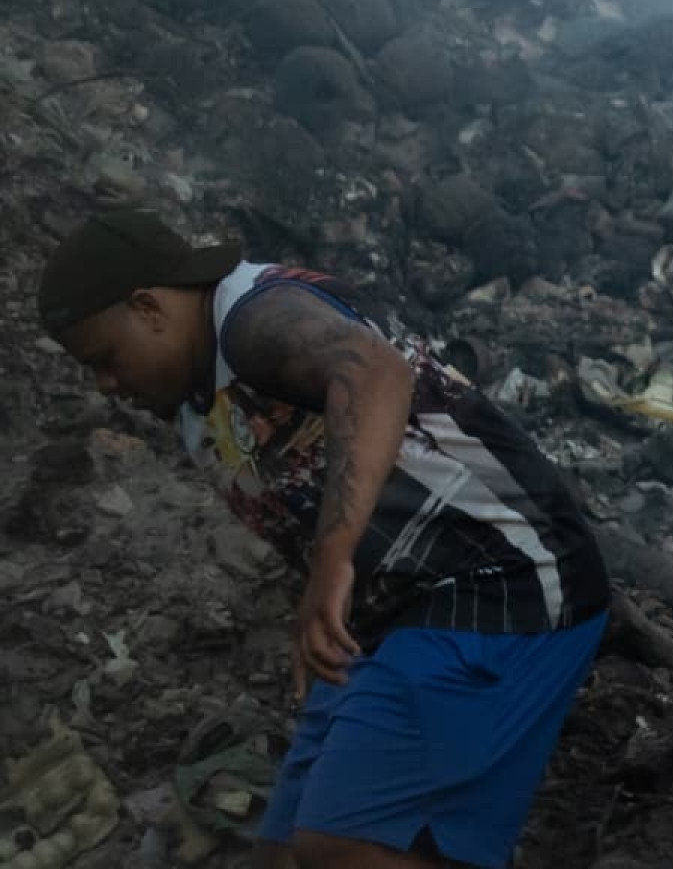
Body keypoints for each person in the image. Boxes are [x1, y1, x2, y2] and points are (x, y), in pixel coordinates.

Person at [36, 209, 611, 869]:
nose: (105, 384)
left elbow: (374, 371)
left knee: (346, 845)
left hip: (503, 575)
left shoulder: (254, 321)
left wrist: (332, 562)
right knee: (283, 854)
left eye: (104, 359)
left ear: (148, 307)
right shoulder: (197, 394)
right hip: (393, 613)